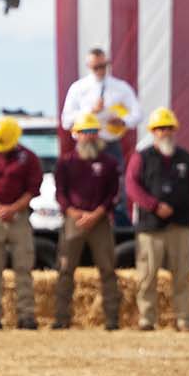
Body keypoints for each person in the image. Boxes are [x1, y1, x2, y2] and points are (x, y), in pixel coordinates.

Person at [125, 107, 189, 332]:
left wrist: (187, 215)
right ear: (153, 132)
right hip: (151, 227)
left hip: (179, 225)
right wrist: (154, 206)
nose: (165, 132)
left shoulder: (184, 157)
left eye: (168, 128)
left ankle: (183, 319)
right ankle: (147, 318)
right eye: (160, 128)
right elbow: (132, 186)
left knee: (182, 275)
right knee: (147, 275)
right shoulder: (142, 156)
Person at [54, 112, 122, 330]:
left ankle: (112, 319)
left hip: (100, 221)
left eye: (92, 132)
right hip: (74, 220)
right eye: (85, 132)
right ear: (76, 135)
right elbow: (60, 193)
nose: (89, 136)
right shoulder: (66, 162)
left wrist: (97, 214)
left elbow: (113, 193)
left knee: (107, 269)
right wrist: (73, 212)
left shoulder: (109, 163)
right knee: (65, 269)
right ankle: (61, 318)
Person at [0, 115, 43, 330]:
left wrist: (13, 209)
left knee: (23, 268)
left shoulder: (28, 157)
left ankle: (26, 316)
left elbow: (33, 189)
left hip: (19, 217)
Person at [60, 46, 141, 164]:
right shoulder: (78, 88)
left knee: (116, 179)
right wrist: (91, 111)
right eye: (96, 67)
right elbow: (66, 121)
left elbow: (138, 113)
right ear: (88, 66)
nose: (100, 70)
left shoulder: (120, 87)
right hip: (85, 144)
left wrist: (123, 121)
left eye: (103, 66)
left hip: (110, 144)